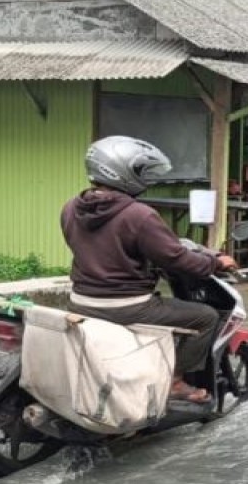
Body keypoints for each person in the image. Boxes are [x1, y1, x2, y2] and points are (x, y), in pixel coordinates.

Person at [60, 136, 237, 404]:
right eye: (141, 171)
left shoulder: (71, 208)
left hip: (81, 301)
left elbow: (108, 248)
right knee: (206, 317)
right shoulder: (139, 214)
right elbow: (176, 258)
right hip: (126, 305)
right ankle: (176, 382)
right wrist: (216, 262)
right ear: (122, 172)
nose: (147, 178)